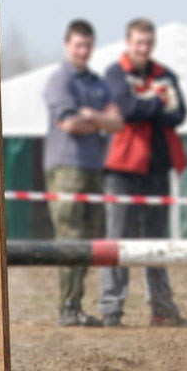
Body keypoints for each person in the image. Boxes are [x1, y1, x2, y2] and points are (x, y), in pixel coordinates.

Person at [99, 18, 187, 328]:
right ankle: (111, 309)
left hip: (157, 168)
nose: (143, 48)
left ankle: (162, 309)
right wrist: (157, 101)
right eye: (138, 43)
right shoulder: (115, 73)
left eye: (148, 43)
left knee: (157, 242)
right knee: (118, 241)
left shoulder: (164, 73)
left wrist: (145, 105)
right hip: (122, 169)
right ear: (127, 43)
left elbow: (179, 113)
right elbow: (126, 109)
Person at [43, 19, 123, 327]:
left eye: (88, 45)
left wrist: (89, 114)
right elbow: (69, 123)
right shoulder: (59, 80)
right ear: (67, 45)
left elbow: (117, 124)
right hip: (66, 168)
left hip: (93, 166)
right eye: (78, 44)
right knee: (70, 238)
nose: (83, 50)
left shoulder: (96, 82)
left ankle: (75, 305)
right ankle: (67, 306)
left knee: (88, 241)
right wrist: (98, 119)